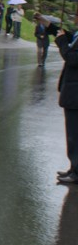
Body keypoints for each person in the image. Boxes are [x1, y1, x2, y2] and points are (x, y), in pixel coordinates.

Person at [54, 11, 78, 184]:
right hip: (73, 93)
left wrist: (62, 41)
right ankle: (73, 168)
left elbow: (72, 59)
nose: (74, 17)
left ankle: (76, 172)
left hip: (75, 94)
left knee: (74, 135)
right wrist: (51, 27)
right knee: (73, 134)